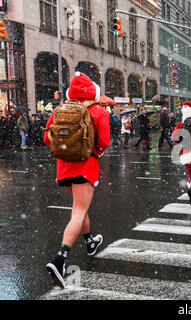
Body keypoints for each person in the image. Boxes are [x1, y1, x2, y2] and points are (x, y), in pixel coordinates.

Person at [44, 72, 110, 289]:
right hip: (85, 165)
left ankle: (90, 241)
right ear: (91, 90)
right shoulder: (98, 110)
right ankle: (60, 260)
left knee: (79, 208)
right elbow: (105, 140)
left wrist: (67, 151)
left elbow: (47, 138)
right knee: (79, 212)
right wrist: (93, 152)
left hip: (64, 167)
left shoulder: (59, 110)